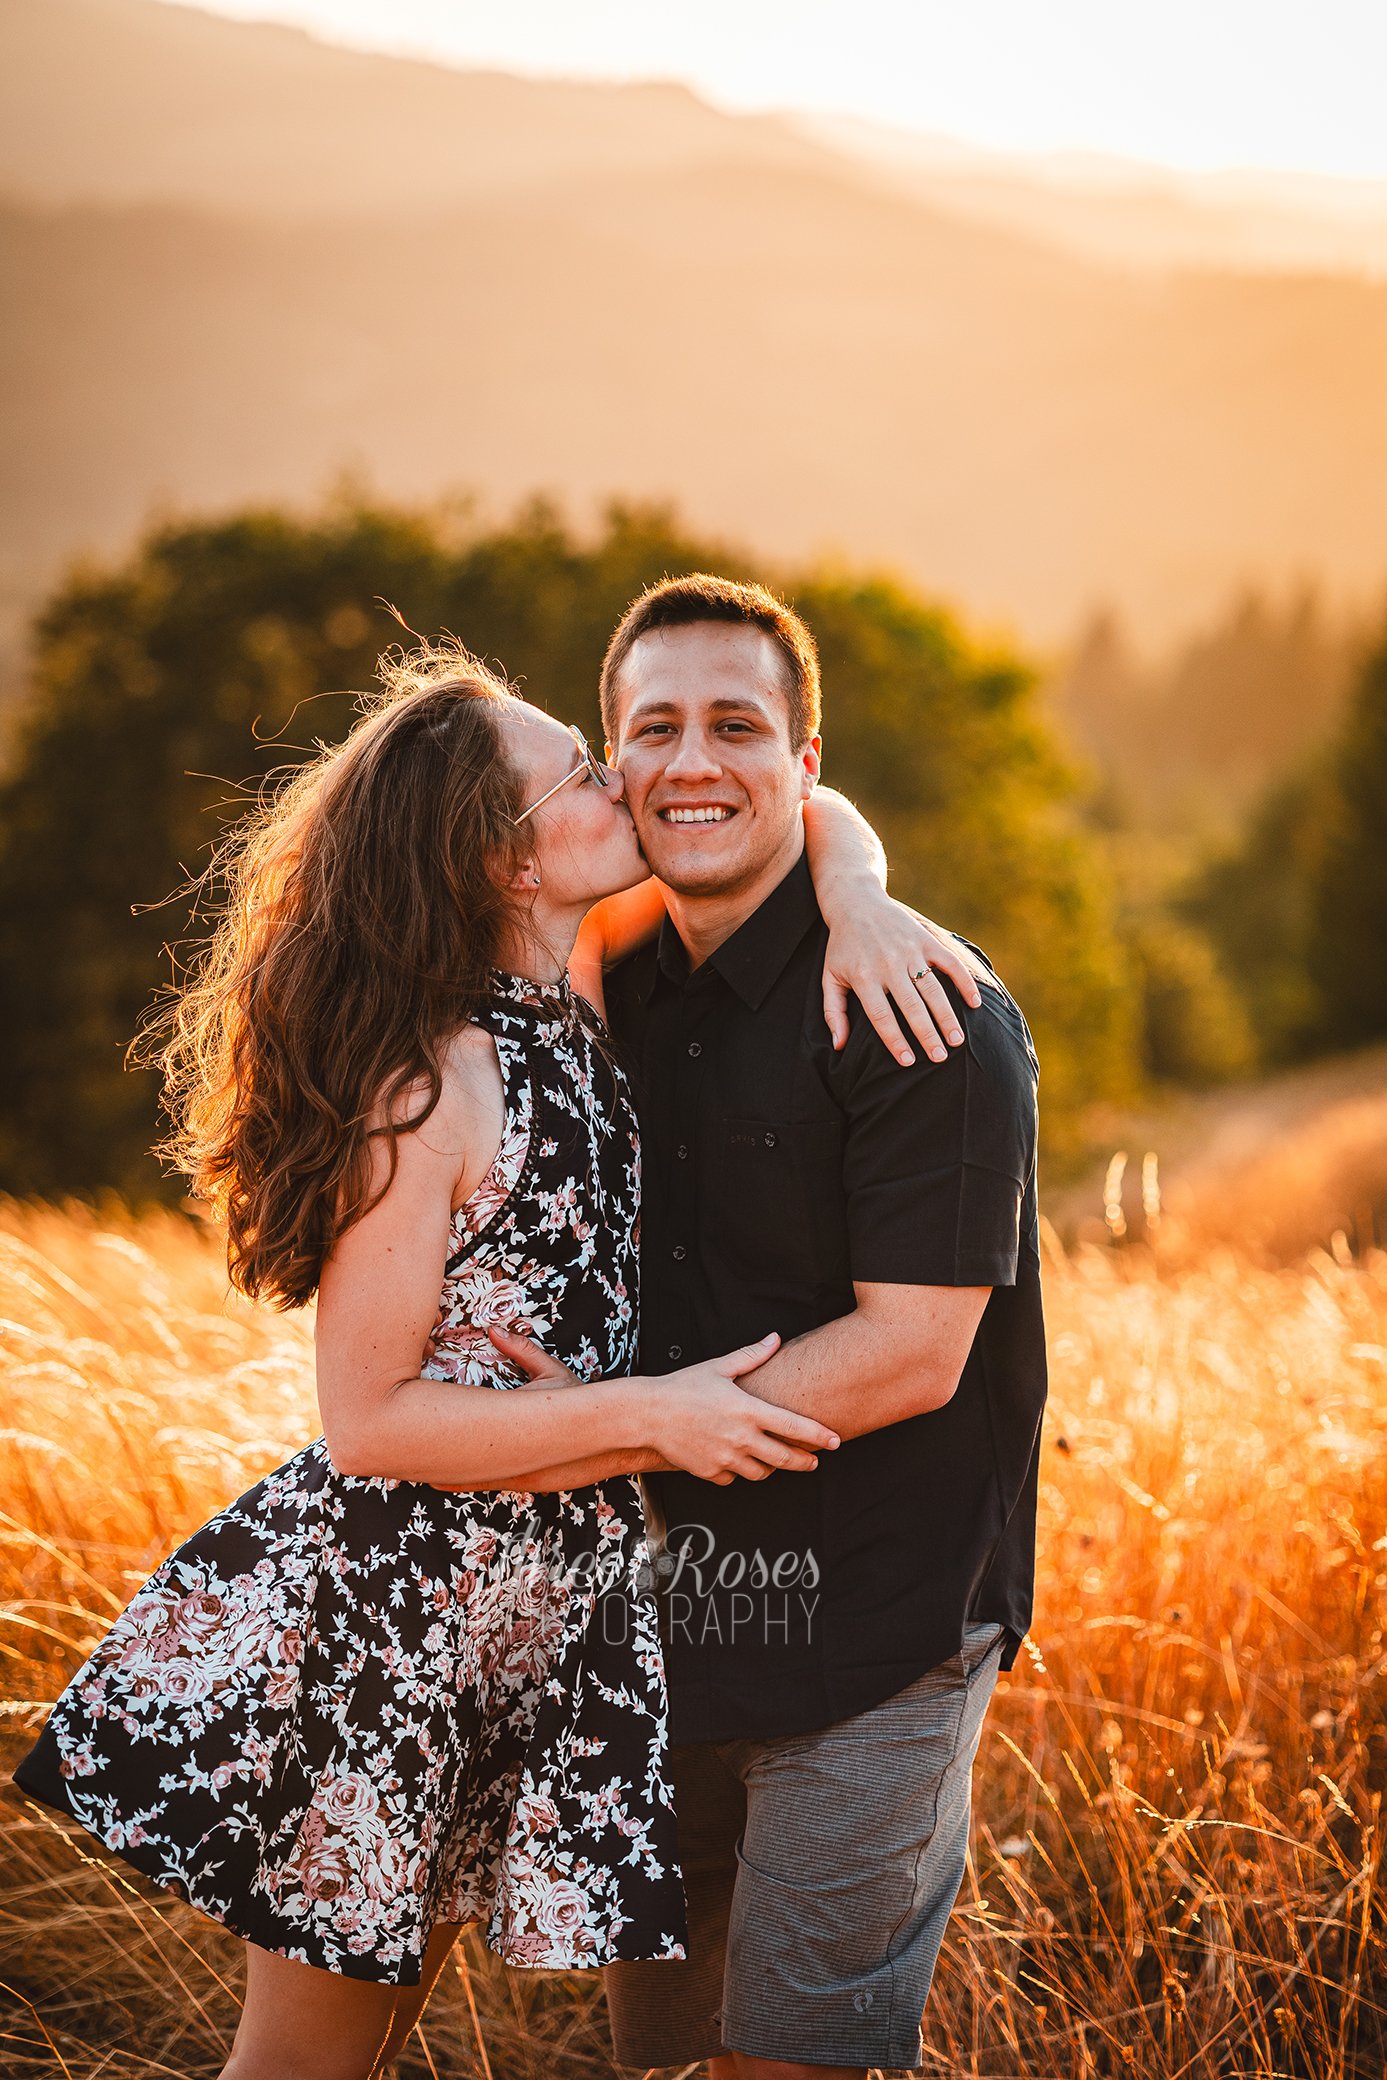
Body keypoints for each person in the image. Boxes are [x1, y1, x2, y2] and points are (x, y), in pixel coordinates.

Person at [11, 638, 967, 2080]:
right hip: (398, 1624)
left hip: (533, 1625)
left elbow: (805, 800)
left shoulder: (579, 998)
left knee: (378, 2046)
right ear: (502, 860)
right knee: (306, 2065)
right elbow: (370, 1422)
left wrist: (859, 890)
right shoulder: (433, 1077)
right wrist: (652, 1416)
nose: (626, 783)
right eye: (584, 774)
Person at [513, 576, 1047, 2080]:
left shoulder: (917, 1003)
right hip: (663, 1625)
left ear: (805, 767)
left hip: (876, 1627)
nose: (694, 763)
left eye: (738, 727)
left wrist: (612, 1428)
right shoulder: (603, 972)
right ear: (611, 766)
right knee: (658, 2058)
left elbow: (910, 1353)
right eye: (655, 728)